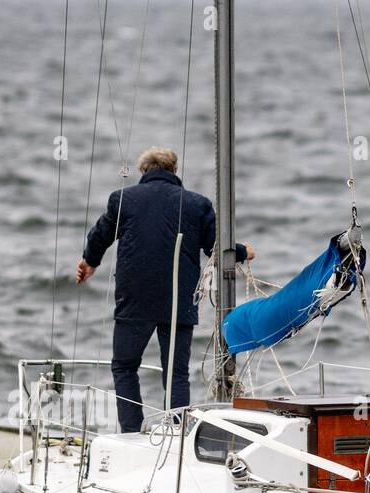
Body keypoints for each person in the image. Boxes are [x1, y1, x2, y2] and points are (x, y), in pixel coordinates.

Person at [77, 146, 255, 433]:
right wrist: (244, 251)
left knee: (124, 367)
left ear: (143, 171)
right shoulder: (198, 204)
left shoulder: (122, 200)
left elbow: (99, 236)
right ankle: (175, 431)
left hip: (134, 299)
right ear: (174, 170)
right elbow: (215, 249)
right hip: (179, 299)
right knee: (176, 373)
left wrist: (89, 262)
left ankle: (132, 432)